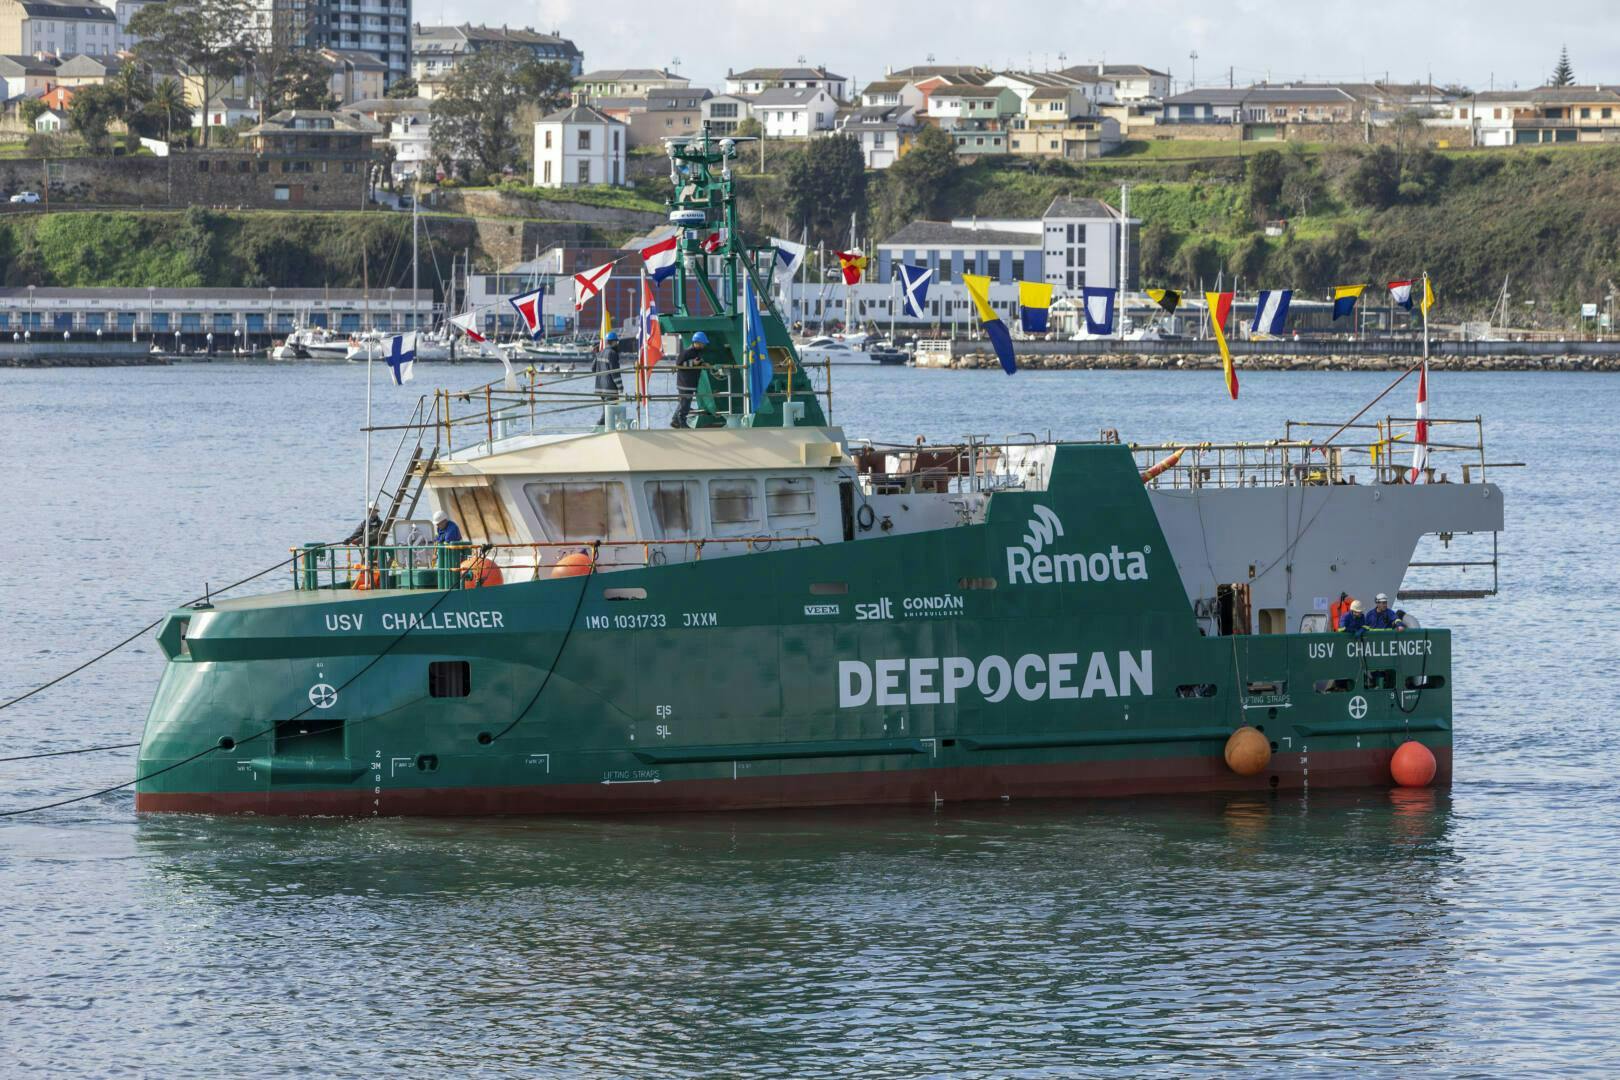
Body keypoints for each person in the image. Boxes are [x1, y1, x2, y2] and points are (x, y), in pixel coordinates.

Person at [671, 331, 709, 428]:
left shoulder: (697, 352)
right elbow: (679, 364)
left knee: (684, 402)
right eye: (702, 344)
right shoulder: (687, 352)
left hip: (690, 383)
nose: (703, 346)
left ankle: (675, 421)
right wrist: (693, 363)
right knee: (685, 403)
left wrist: (702, 364)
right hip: (685, 383)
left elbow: (696, 362)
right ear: (696, 342)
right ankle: (682, 421)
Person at [593, 330, 626, 398]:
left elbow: (593, 369)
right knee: (612, 408)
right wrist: (620, 387)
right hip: (610, 390)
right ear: (613, 342)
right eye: (616, 342)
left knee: (605, 408)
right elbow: (615, 373)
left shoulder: (599, 353)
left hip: (600, 389)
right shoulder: (612, 353)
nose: (617, 344)